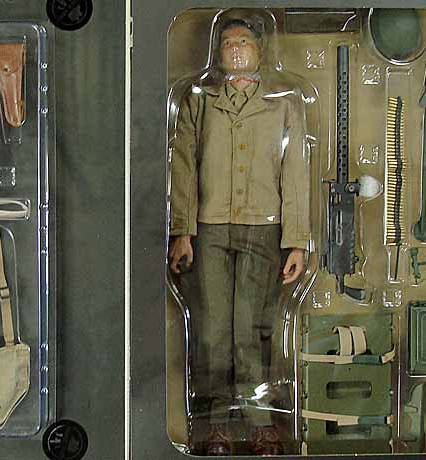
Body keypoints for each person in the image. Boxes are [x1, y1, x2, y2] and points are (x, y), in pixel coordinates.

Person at [167, 17, 310, 456]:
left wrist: (297, 240)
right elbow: (183, 168)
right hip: (208, 229)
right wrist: (182, 231)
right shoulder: (200, 102)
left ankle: (261, 424)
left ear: (260, 50)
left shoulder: (282, 105)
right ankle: (215, 426)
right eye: (227, 42)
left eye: (244, 41)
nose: (235, 48)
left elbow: (295, 173)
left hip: (263, 229)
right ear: (217, 52)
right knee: (211, 332)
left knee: (251, 331)